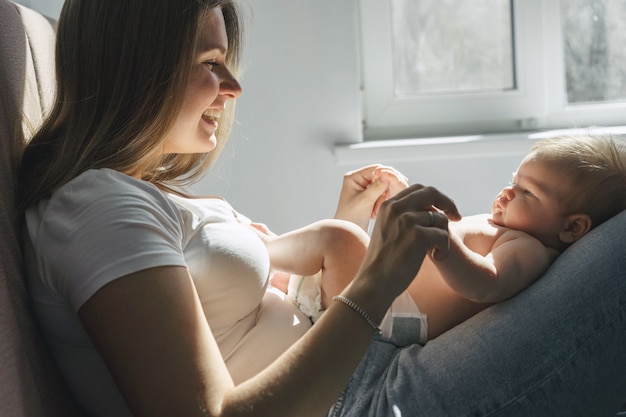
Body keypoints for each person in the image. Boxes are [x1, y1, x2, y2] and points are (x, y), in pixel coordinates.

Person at [17, 1, 460, 416]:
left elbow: (249, 318)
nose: (233, 87)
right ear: (138, 71)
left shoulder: (134, 193)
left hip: (352, 378)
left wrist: (344, 234)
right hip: (351, 398)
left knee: (519, 256)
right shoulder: (99, 212)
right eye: (211, 63)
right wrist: (377, 280)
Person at [269, 134, 626, 346]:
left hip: (394, 315)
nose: (506, 192)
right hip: (385, 295)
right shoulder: (510, 231)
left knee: (338, 238)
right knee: (331, 248)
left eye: (526, 192)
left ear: (573, 228)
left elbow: (485, 282)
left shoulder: (530, 249)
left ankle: (263, 251)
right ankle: (275, 261)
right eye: (512, 180)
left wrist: (444, 244)